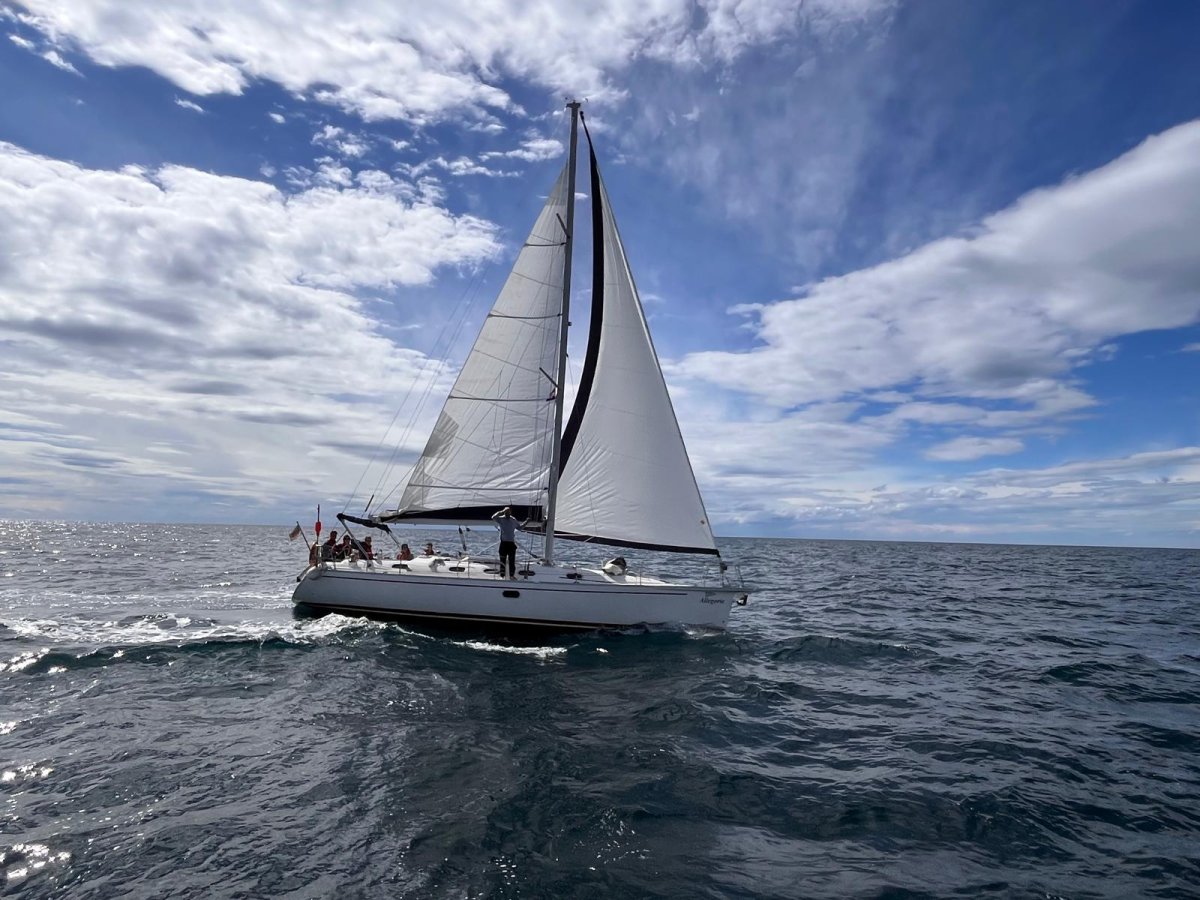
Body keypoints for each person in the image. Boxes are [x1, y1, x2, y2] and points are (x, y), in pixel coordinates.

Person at [492, 507, 519, 579]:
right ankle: (502, 575)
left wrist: (526, 522)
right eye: (506, 512)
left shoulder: (513, 520)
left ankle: (511, 575)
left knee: (512, 561)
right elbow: (493, 517)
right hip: (503, 543)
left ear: (510, 512)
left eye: (508, 512)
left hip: (511, 543)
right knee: (502, 560)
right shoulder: (501, 519)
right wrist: (501, 511)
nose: (507, 514)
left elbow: (519, 528)